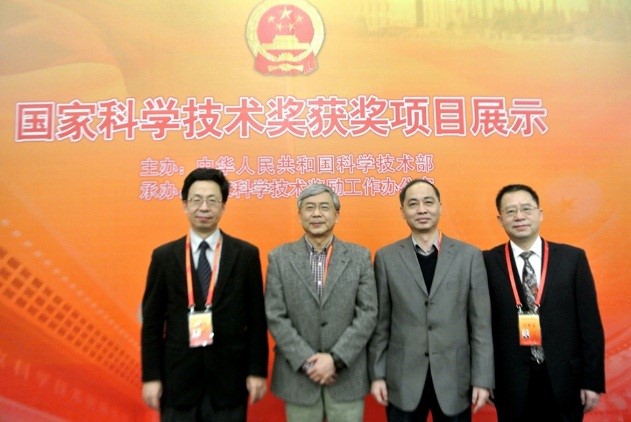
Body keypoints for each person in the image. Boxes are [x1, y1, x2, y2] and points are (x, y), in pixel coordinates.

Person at [140, 168, 269, 421]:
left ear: (223, 206)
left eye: (212, 200)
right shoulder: (164, 257)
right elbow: (152, 323)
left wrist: (257, 371)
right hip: (178, 380)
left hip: (229, 381)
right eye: (196, 199)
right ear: (185, 205)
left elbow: (256, 319)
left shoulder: (245, 255)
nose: (204, 207)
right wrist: (151, 376)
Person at [369, 178, 494, 421]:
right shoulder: (386, 257)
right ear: (403, 211)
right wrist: (377, 374)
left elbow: (480, 325)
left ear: (440, 206)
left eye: (428, 202)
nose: (422, 209)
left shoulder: (469, 256)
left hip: (455, 380)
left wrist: (482, 379)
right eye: (413, 204)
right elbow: (380, 324)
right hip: (403, 379)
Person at [484, 184, 605, 421]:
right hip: (510, 382)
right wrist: (483, 379)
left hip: (566, 379)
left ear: (539, 214)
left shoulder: (572, 259)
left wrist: (592, 381)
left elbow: (590, 324)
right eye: (510, 211)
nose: (519, 216)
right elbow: (479, 325)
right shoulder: (486, 262)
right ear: (500, 219)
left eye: (526, 209)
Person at [264, 183, 378, 422]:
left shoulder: (359, 257)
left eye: (324, 207)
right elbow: (275, 315)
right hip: (298, 377)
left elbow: (368, 313)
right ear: (300, 215)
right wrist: (308, 362)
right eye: (310, 208)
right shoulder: (280, 258)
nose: (317, 214)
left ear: (337, 215)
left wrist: (335, 359)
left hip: (347, 376)